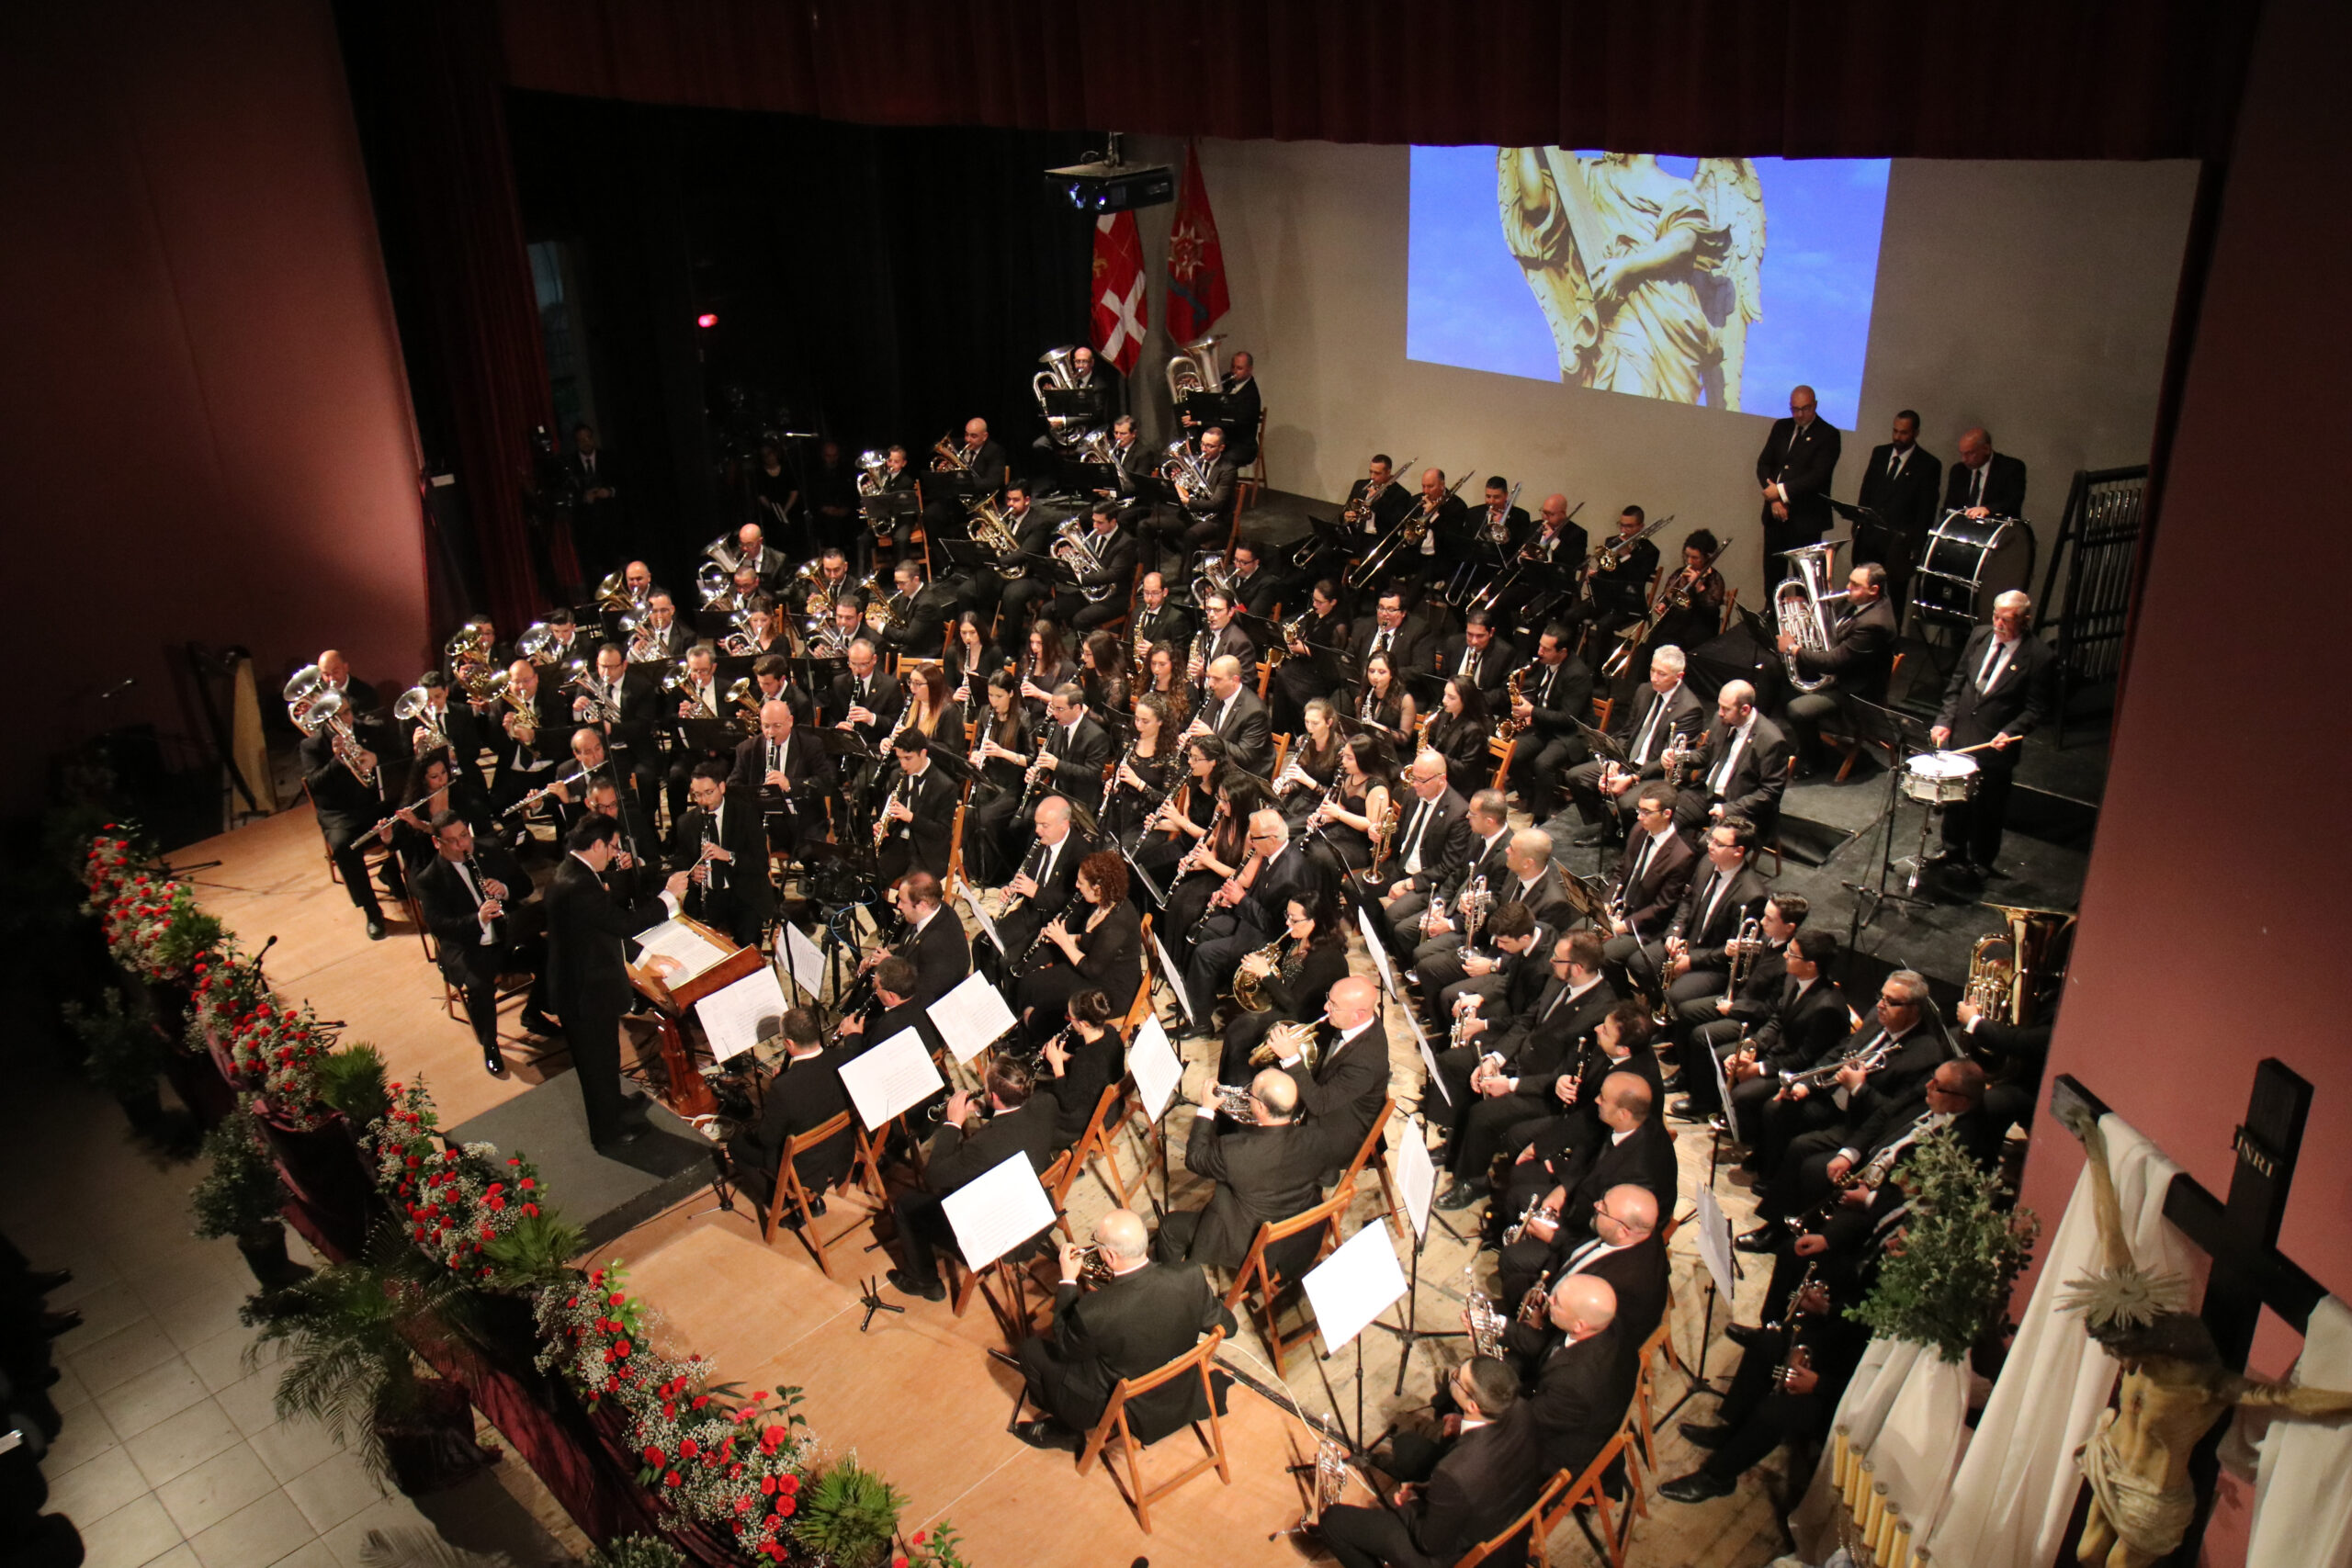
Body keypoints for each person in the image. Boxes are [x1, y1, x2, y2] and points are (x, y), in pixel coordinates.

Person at [1010, 1208, 1233, 1452]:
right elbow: (1228, 1327)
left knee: (1031, 1350)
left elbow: (1065, 1348)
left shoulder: (1094, 1311)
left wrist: (1068, 1281)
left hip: (1129, 1401)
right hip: (1183, 1386)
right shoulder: (1189, 1276)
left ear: (1111, 1256)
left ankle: (1065, 1429)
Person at [1316, 1358, 1546, 1568]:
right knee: (1407, 1446)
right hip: (1508, 1528)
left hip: (1460, 1557)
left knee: (1334, 1522)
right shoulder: (1521, 1409)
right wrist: (1463, 1430)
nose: (1453, 1375)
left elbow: (1430, 1543)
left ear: (1473, 1406)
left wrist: (1411, 1501)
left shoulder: (1454, 1473)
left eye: (1457, 1378)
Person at [545, 816, 689, 1148]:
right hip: (583, 993)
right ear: (596, 845)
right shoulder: (578, 885)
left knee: (606, 1058)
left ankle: (614, 1105)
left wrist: (642, 959)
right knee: (596, 1065)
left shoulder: (575, 872)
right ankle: (607, 1134)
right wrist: (668, 896)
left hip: (587, 985)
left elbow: (599, 929)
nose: (613, 853)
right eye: (611, 846)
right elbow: (623, 924)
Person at [887, 1058, 1059, 1302]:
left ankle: (923, 1280)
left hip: (1003, 1232)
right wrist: (982, 1110)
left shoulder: (983, 1146)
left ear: (995, 1096)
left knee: (907, 1205)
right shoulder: (1047, 1104)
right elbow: (1014, 1119)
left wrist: (953, 1123)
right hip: (1038, 1209)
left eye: (987, 1088)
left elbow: (934, 1174)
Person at [413, 809, 559, 1075]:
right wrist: (478, 919)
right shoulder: (429, 880)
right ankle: (489, 1043)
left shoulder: (488, 850)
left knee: (551, 954)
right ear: (437, 843)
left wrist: (505, 889)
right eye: (454, 841)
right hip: (469, 947)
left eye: (464, 836)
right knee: (480, 987)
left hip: (508, 934)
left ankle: (534, 1013)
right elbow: (440, 927)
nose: (463, 845)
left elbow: (525, 886)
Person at [1155, 1069, 1335, 1273]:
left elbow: (1194, 1159)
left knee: (1169, 1227)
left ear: (1259, 1106)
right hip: (1298, 1241)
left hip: (1252, 1245)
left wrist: (1206, 1109)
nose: (1247, 1095)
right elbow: (1330, 1178)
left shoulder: (1234, 1150)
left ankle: (1169, 1282)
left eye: (1251, 1093)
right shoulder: (1318, 1138)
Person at [1930, 590, 2054, 884]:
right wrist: (1944, 720)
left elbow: (2036, 708)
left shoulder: (2040, 657)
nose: (1998, 624)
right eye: (1996, 616)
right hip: (1961, 737)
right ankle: (1952, 850)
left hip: (1995, 746)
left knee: (1988, 808)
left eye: (2007, 620)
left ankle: (1981, 861)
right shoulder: (1979, 636)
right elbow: (1958, 683)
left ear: (2025, 619)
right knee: (1955, 801)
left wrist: (2010, 732)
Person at [1701, 920, 1849, 1134]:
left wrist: (1760, 1068)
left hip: (1796, 1070)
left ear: (1811, 965)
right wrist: (1751, 1047)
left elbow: (1805, 1058)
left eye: (1792, 954)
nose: (1786, 956)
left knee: (1742, 1094)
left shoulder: (1828, 1008)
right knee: (1725, 1056)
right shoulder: (1793, 978)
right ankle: (1730, 1119)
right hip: (1778, 1052)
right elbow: (1777, 1019)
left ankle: (1748, 1137)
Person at [1561, 644, 1706, 846]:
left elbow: (1668, 762)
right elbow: (1627, 732)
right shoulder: (1645, 690)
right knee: (1576, 777)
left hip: (1655, 773)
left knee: (1627, 803)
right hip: (1628, 761)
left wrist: (1631, 779)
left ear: (1679, 676)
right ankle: (1608, 827)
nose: (1654, 677)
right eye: (1652, 670)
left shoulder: (1689, 709)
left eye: (1662, 674)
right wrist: (1614, 762)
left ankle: (1629, 838)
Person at [299, 665, 403, 940]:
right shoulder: (311, 747)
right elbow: (316, 787)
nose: (343, 720)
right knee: (343, 847)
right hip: (341, 813)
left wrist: (377, 759)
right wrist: (337, 762)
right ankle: (371, 910)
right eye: (335, 715)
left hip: (376, 803)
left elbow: (402, 759)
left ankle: (392, 872)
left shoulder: (373, 730)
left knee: (414, 816)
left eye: (346, 712)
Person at [724, 1008, 852, 1224]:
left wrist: (778, 1088)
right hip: (841, 1152)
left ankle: (783, 1207)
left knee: (736, 1146)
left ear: (789, 1044)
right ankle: (813, 1200)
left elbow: (767, 1139)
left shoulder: (783, 1089)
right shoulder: (843, 1057)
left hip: (804, 1168)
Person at [1217, 886, 1352, 1083]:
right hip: (1286, 1004)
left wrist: (1265, 973)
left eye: (1294, 920)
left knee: (1240, 1035)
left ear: (1313, 922)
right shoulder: (1298, 939)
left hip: (1304, 1019)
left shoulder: (1326, 957)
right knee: (1236, 1027)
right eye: (1287, 916)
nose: (1288, 923)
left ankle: (1241, 1089)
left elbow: (1295, 1005)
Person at [1780, 561, 1901, 775]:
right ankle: (1753, 733)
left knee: (1798, 710)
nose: (1847, 587)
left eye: (1855, 585)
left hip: (1856, 693)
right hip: (1843, 675)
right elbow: (1829, 631)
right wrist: (1804, 607)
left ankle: (1813, 760)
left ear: (1874, 590)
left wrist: (1793, 648)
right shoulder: (1861, 602)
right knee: (1773, 666)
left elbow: (1832, 662)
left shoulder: (1875, 624)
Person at [1015, 852, 1142, 1039]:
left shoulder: (1116, 924)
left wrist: (1063, 941)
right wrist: (1064, 936)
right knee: (1030, 984)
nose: (1076, 886)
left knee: (1038, 992)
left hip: (1109, 991)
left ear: (1097, 888)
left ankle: (1034, 1036)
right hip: (1097, 970)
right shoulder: (1104, 903)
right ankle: (1026, 1032)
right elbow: (1092, 940)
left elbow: (1092, 969)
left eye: (1081, 883)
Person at [670, 762, 773, 950]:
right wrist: (692, 874)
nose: (703, 801)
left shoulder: (745, 813)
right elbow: (681, 861)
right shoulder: (686, 823)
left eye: (709, 792)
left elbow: (761, 864)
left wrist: (729, 856)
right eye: (697, 795)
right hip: (708, 896)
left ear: (722, 787)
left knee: (748, 945)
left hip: (743, 894)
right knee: (692, 945)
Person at [1675, 680, 1791, 841]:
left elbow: (1770, 793)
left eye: (1726, 709)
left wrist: (1730, 809)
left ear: (1745, 709)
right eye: (1720, 706)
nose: (1719, 712)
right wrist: (1680, 756)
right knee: (1663, 820)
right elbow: (1706, 755)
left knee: (1710, 845)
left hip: (1738, 807)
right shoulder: (1722, 720)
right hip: (1706, 794)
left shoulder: (1771, 741)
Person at [1503, 625, 1596, 823]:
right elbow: (1545, 696)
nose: (1539, 652)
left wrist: (1532, 712)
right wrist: (1528, 707)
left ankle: (1540, 816)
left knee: (1543, 763)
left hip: (1570, 734)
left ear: (1562, 652)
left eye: (1546, 649)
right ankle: (1530, 797)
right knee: (1513, 753)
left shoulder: (1577, 674)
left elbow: (1568, 718)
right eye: (1540, 646)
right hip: (1546, 726)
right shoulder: (1546, 663)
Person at [1852, 408, 1942, 606]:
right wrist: (1858, 525)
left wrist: (1916, 546)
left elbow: (1925, 510)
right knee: (1862, 593)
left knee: (1894, 599)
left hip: (1898, 545)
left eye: (1904, 433)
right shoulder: (1880, 453)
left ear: (1915, 433)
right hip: (1870, 539)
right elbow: (1866, 491)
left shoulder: (1928, 465)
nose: (1898, 437)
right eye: (1895, 431)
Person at [1755, 385, 1842, 589]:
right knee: (1772, 573)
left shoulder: (1828, 435)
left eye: (1805, 409)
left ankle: (1803, 617)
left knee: (1804, 580)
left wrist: (1781, 492)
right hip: (1775, 515)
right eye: (1795, 409)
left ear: (1815, 406)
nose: (1800, 414)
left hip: (1806, 519)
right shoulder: (1781, 427)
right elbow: (1764, 463)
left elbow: (1817, 476)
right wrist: (1774, 499)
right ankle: (1771, 611)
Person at [729, 699, 835, 857]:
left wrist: (790, 784)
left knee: (814, 858)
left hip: (803, 820)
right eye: (765, 726)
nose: (770, 732)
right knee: (743, 851)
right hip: (764, 822)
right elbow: (733, 786)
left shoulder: (811, 745)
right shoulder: (746, 749)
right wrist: (758, 794)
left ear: (790, 721)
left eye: (777, 726)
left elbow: (826, 783)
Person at [993, 796, 1084, 964]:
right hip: (1028, 913)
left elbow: (1075, 904)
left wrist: (1036, 892)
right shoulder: (1037, 839)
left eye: (1044, 826)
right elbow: (1026, 874)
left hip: (1053, 924)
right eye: (1037, 823)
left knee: (1008, 961)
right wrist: (1013, 890)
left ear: (1064, 825)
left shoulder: (1081, 852)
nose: (1037, 830)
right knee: (984, 944)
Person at [1035, 988, 1128, 1149]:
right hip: (1113, 1108)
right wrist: (1066, 1057)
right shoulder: (1112, 1034)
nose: (1068, 1020)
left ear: (1083, 1023)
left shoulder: (1086, 1058)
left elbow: (1068, 1104)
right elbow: (1096, 1070)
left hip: (1091, 1118)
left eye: (1070, 1017)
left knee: (1037, 1104)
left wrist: (1057, 1065)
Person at [1300, 734, 1394, 886]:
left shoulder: (1377, 787)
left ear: (1364, 760)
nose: (1343, 762)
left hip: (1361, 843)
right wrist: (1322, 818)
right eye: (1344, 756)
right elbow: (1339, 808)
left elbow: (1372, 824)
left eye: (1349, 758)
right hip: (1342, 830)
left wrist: (1338, 813)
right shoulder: (1348, 776)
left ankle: (1325, 898)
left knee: (1319, 856)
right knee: (1302, 842)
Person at [875, 728, 958, 886]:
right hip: (898, 846)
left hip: (927, 853)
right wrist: (883, 825)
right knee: (869, 883)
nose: (903, 765)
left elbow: (942, 832)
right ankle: (888, 913)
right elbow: (888, 814)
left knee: (909, 894)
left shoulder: (946, 786)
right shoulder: (896, 776)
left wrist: (911, 818)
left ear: (923, 753)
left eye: (908, 758)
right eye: (900, 758)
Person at [1271, 579, 1350, 735]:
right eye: (1314, 599)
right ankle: (1282, 731)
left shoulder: (1339, 625)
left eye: (1320, 602)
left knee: (1287, 680)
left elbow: (1330, 658)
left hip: (1322, 674)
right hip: (1306, 665)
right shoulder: (1315, 615)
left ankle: (1301, 730)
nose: (1314, 605)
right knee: (1282, 674)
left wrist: (1305, 649)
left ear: (1333, 602)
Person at [1187, 655, 1272, 778]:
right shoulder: (1216, 694)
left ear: (1234, 680)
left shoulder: (1255, 712)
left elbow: (1245, 757)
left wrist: (1211, 737)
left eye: (1216, 679)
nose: (1210, 683)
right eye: (1209, 677)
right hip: (1215, 764)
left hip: (1241, 776)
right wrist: (1192, 741)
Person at [1942, 424, 2028, 519]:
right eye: (1962, 454)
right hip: (1963, 528)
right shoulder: (1959, 470)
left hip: (1994, 526)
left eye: (1969, 453)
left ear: (1986, 449)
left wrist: (1987, 509)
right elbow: (1948, 507)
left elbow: (2013, 502)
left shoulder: (2011, 468)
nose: (1964, 459)